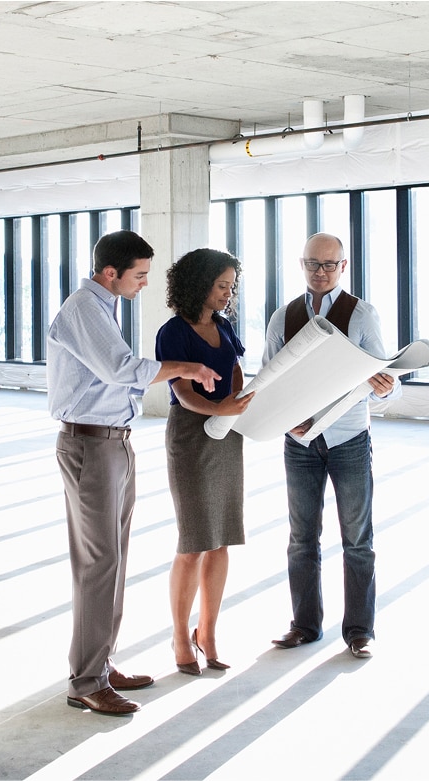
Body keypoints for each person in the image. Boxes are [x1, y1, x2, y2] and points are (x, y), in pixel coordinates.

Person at [47, 230, 221, 715]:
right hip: (89, 444)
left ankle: (99, 665)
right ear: (110, 273)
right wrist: (188, 367)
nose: (145, 284)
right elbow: (120, 368)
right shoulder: (85, 308)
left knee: (114, 561)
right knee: (99, 564)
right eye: (139, 275)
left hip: (113, 443)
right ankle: (86, 681)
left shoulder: (104, 306)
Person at [265, 232, 400, 659]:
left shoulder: (362, 314)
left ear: (343, 266)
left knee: (357, 539)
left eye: (328, 265)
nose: (320, 273)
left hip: (349, 441)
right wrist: (286, 421)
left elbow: (388, 383)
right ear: (301, 265)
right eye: (312, 264)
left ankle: (360, 630)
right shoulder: (282, 317)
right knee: (301, 538)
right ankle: (304, 625)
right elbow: (268, 382)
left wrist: (383, 388)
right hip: (299, 443)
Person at [155, 248, 254, 676]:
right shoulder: (173, 331)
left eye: (231, 286)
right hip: (192, 437)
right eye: (222, 286)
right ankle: (180, 635)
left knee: (222, 538)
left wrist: (236, 400)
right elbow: (181, 393)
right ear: (200, 284)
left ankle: (207, 632)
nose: (228, 294)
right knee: (194, 540)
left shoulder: (225, 325)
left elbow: (233, 368)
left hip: (227, 435)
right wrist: (222, 411)